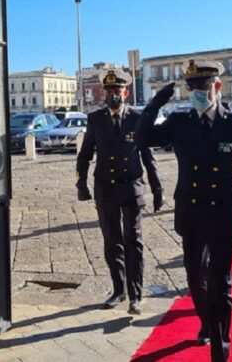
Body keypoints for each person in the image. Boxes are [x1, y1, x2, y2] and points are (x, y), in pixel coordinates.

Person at [136, 59, 232, 362]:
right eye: (193, 87)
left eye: (203, 86)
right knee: (196, 277)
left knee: (221, 283)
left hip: (223, 213)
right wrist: (155, 104)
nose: (198, 91)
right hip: (192, 213)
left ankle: (220, 351)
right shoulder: (180, 122)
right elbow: (143, 139)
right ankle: (207, 323)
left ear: (217, 87)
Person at [76, 69, 164, 315]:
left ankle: (136, 295)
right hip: (105, 187)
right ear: (104, 93)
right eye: (109, 91)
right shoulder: (96, 119)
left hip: (132, 186)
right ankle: (119, 290)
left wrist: (157, 188)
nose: (113, 95)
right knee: (111, 240)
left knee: (133, 241)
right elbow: (85, 154)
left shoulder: (137, 118)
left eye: (117, 91)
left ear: (125, 92)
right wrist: (80, 183)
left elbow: (148, 156)